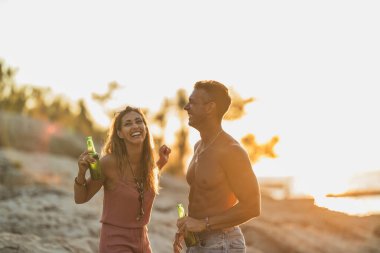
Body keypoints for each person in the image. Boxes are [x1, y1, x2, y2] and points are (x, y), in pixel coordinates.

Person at [173, 80, 261, 253]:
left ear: (210, 108)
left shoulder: (231, 151)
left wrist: (203, 224)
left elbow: (252, 206)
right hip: (197, 241)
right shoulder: (199, 146)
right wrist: (189, 228)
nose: (186, 107)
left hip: (222, 242)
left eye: (192, 102)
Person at [74, 106, 171, 253]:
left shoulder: (149, 164)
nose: (135, 126)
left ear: (145, 127)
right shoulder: (108, 163)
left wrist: (160, 164)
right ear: (119, 133)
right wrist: (81, 173)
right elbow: (81, 198)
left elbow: (141, 186)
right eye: (128, 124)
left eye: (139, 121)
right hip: (115, 241)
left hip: (143, 240)